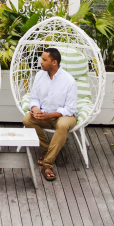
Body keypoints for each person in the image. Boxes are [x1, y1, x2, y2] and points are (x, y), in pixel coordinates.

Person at [22, 47, 78, 181]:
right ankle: (48, 150)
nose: (41, 62)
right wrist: (35, 108)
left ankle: (47, 164)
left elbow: (70, 109)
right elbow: (34, 97)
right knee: (27, 120)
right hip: (44, 114)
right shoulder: (40, 76)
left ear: (54, 62)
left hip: (64, 116)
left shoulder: (69, 80)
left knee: (63, 125)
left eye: (44, 60)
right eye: (42, 59)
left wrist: (49, 115)